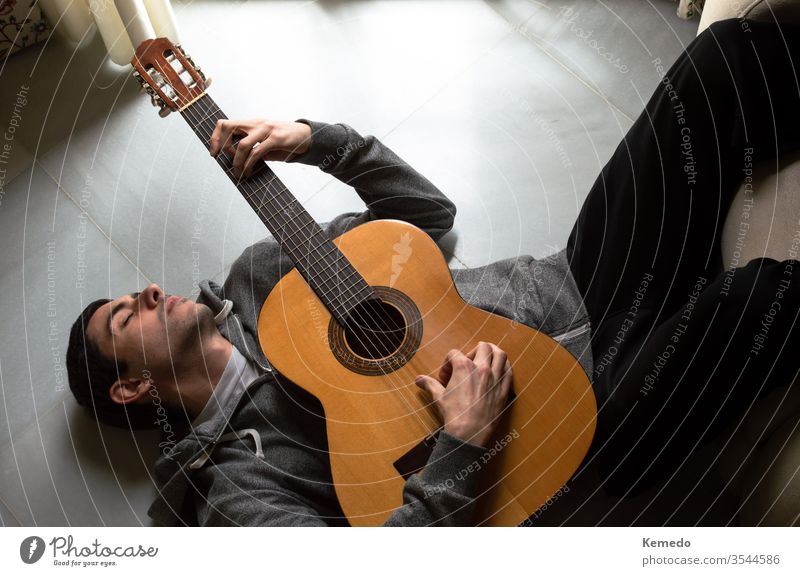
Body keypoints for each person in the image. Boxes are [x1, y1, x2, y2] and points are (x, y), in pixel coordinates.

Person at [67, 18, 800, 525]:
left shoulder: (263, 269)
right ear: (131, 388)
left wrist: (322, 144)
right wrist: (463, 441)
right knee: (755, 298)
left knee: (724, 60)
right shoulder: (238, 485)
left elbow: (430, 219)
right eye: (126, 315)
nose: (151, 291)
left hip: (574, 280)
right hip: (574, 427)